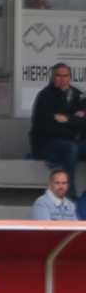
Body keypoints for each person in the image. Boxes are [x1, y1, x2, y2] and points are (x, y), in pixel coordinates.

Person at [29, 63, 86, 197]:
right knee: (70, 148)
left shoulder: (78, 95)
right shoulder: (44, 96)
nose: (62, 79)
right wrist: (75, 122)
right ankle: (69, 194)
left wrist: (67, 120)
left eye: (65, 75)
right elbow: (46, 126)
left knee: (73, 146)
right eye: (58, 76)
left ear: (70, 77)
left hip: (72, 141)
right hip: (47, 144)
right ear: (53, 77)